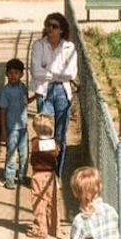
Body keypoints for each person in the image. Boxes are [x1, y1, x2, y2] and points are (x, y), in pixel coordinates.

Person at [30, 12, 78, 177]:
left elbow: (70, 74)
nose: (50, 29)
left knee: (60, 136)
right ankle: (46, 172)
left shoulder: (69, 48)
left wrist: (47, 70)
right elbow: (36, 72)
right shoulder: (38, 46)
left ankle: (57, 174)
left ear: (62, 30)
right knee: (45, 134)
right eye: (48, 25)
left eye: (54, 26)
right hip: (44, 91)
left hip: (62, 92)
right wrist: (58, 72)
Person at [0, 58, 30, 189]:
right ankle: (10, 177)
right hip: (12, 128)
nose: (13, 76)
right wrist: (3, 129)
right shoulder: (5, 91)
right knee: (11, 153)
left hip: (23, 127)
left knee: (24, 153)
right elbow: (3, 111)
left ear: (22, 74)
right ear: (6, 74)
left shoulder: (23, 87)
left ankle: (22, 175)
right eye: (10, 73)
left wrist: (37, 96)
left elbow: (26, 102)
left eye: (16, 73)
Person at [28, 114, 60, 239]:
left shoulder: (35, 142)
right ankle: (54, 227)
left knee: (38, 200)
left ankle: (41, 228)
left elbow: (34, 155)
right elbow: (57, 152)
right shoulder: (55, 143)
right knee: (52, 200)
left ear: (36, 129)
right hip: (51, 174)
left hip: (38, 174)